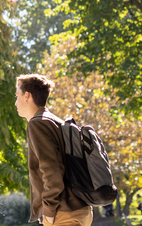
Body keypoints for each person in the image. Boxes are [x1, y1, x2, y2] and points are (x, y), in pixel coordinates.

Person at [14, 74, 91, 226]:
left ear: (27, 96)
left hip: (62, 213)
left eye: (17, 96)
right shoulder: (56, 121)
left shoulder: (37, 124)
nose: (15, 103)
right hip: (80, 209)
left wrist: (48, 210)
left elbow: (51, 170)